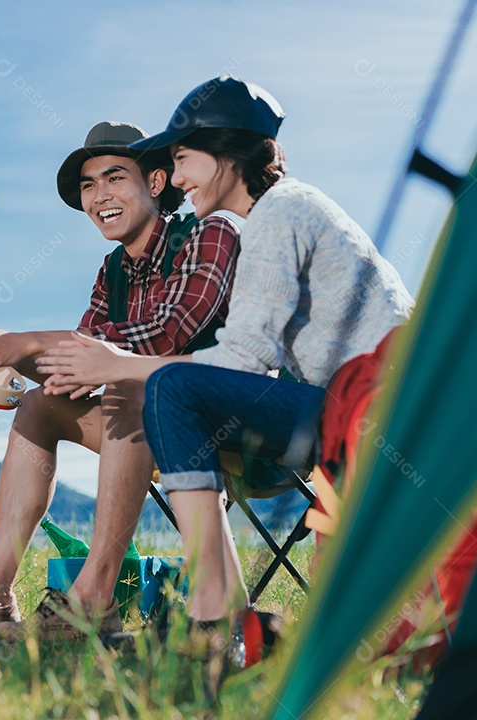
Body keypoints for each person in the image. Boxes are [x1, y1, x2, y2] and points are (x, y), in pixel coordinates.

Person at [38, 77, 413, 649]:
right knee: (173, 386)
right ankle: (226, 612)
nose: (179, 178)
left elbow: (242, 362)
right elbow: (244, 352)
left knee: (173, 387)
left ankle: (217, 615)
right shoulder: (273, 217)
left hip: (382, 404)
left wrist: (118, 364)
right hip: (343, 405)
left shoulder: (282, 212)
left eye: (184, 159)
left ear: (227, 154)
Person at [0, 122, 242, 639]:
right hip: (149, 433)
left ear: (154, 182)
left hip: (230, 429)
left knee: (134, 385)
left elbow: (162, 338)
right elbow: (83, 369)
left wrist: (29, 339)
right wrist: (8, 363)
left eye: (114, 177)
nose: (99, 195)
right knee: (39, 403)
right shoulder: (112, 271)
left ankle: (95, 595)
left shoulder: (202, 236)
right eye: (88, 185)